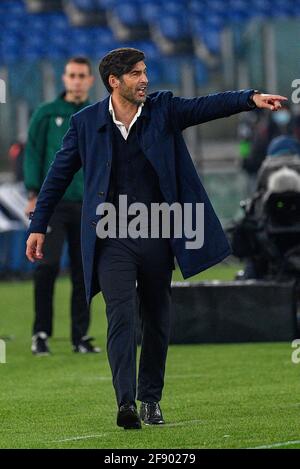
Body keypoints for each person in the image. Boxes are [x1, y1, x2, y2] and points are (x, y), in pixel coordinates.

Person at [25, 48, 287, 428]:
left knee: (157, 318)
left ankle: (150, 398)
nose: (144, 79)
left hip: (158, 232)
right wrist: (38, 225)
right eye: (135, 74)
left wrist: (249, 98)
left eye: (145, 71)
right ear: (114, 82)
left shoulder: (164, 108)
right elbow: (57, 175)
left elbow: (206, 106)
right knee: (119, 314)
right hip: (111, 234)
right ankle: (126, 403)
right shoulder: (85, 123)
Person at [24, 57, 101, 356]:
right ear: (64, 78)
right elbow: (33, 154)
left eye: (83, 75)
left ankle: (79, 337)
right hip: (53, 204)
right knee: (47, 266)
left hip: (88, 204)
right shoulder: (46, 114)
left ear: (90, 81)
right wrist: (33, 192)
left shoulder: (97, 114)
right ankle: (41, 333)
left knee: (84, 272)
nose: (78, 80)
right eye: (72, 75)